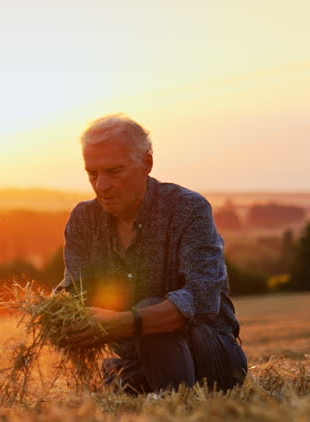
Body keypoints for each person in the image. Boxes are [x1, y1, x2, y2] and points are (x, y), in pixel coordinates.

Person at [57, 114, 247, 393]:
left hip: (212, 357)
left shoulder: (188, 209)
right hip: (137, 356)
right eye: (92, 174)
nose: (101, 185)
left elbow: (201, 299)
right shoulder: (84, 220)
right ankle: (138, 382)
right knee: (124, 378)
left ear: (146, 164)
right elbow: (75, 292)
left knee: (149, 314)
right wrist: (59, 313)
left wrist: (124, 323)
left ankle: (177, 409)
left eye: (114, 171)